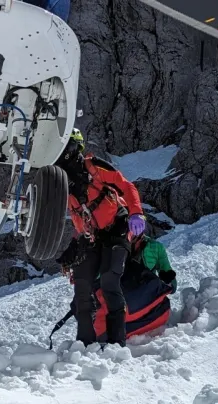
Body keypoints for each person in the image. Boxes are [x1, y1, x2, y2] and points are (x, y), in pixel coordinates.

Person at [55, 129, 146, 347]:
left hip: (118, 227)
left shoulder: (94, 167)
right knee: (82, 285)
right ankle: (84, 345)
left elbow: (126, 185)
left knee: (108, 280)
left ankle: (116, 344)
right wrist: (74, 249)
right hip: (93, 236)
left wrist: (136, 212)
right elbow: (80, 221)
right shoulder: (61, 185)